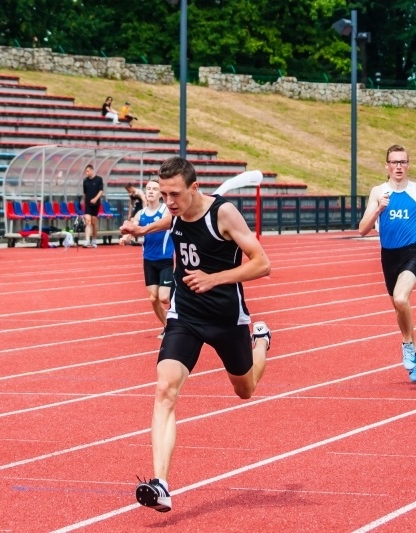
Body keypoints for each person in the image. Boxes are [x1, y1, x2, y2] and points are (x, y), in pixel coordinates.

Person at [121, 156, 272, 513]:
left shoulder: (223, 214)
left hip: (225, 317)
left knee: (245, 389)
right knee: (164, 389)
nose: (169, 201)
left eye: (175, 193)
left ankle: (262, 341)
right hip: (185, 314)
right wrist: (141, 231)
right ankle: (160, 484)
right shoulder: (176, 210)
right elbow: (168, 220)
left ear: (193, 188)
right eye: (164, 193)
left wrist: (213, 278)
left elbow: (262, 263)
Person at [358, 144, 416, 383]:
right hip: (388, 256)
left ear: (408, 165)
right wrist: (378, 210)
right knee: (399, 307)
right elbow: (362, 229)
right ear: (386, 165)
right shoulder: (378, 192)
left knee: (400, 298)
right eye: (394, 162)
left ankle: (408, 345)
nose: (399, 166)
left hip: (412, 252)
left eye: (403, 162)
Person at [120, 179, 173, 337]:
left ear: (160, 193)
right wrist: (126, 237)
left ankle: (181, 307)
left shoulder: (165, 211)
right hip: (149, 261)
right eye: (148, 188)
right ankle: (168, 327)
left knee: (164, 297)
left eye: (154, 189)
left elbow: (168, 224)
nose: (150, 191)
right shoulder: (140, 214)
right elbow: (132, 228)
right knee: (153, 298)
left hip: (165, 260)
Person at [82, 164, 104, 248]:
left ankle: (94, 240)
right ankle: (87, 240)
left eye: (87, 171)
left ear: (91, 170)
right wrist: (84, 202)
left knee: (94, 222)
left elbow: (101, 191)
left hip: (96, 204)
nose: (86, 173)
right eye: (86, 172)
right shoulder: (85, 181)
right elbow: (84, 192)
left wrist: (95, 199)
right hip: (87, 204)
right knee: (88, 221)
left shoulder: (99, 179)